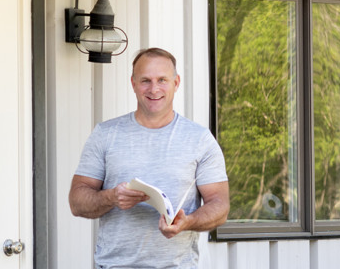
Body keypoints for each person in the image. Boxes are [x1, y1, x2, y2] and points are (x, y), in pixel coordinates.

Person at [69, 47, 229, 269]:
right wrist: (111, 197)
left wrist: (188, 222)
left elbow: (220, 205)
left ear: (176, 83)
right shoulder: (105, 134)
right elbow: (77, 202)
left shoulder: (200, 140)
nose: (154, 89)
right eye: (145, 80)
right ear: (133, 83)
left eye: (162, 80)